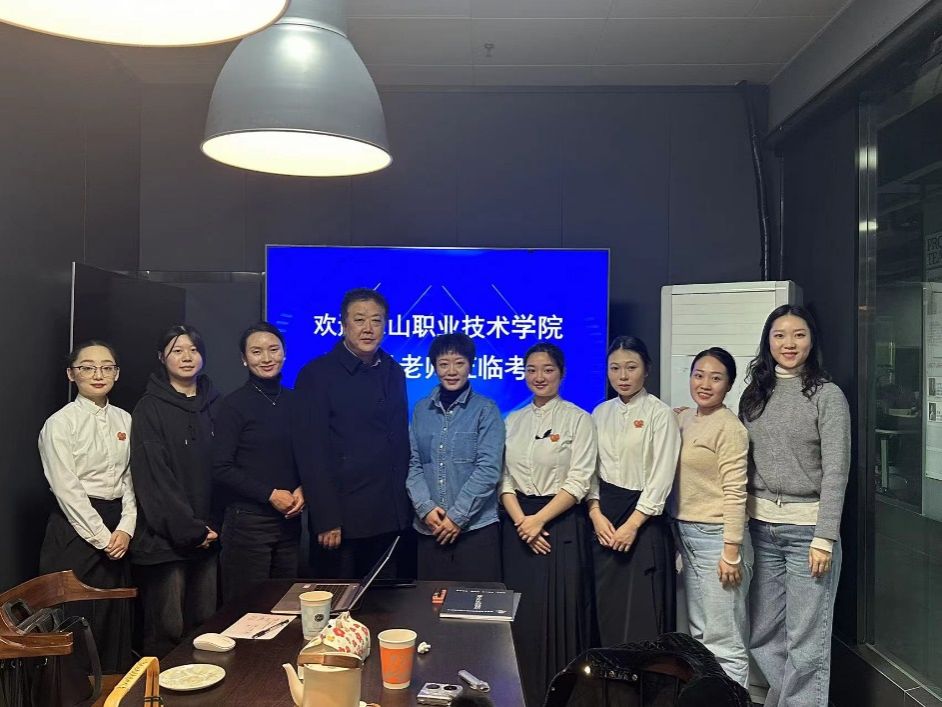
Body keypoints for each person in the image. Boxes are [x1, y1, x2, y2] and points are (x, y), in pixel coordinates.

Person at [739, 305, 850, 707]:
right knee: (762, 634)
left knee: (806, 642)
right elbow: (738, 454)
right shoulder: (755, 394)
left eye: (798, 334)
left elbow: (837, 470)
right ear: (768, 341)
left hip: (809, 533)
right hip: (761, 528)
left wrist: (825, 537)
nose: (789, 343)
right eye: (780, 335)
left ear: (811, 340)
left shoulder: (827, 396)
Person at [500, 342, 597, 707]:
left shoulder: (579, 419)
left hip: (561, 523)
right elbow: (503, 479)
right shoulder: (512, 420)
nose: (539, 377)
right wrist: (523, 523)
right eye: (532, 370)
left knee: (560, 617)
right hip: (518, 526)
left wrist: (538, 521)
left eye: (548, 369)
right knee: (521, 618)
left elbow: (580, 480)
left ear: (562, 373)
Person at [292, 288, 412, 579]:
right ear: (344, 324)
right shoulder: (317, 374)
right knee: (340, 602)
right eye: (359, 320)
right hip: (343, 521)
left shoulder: (394, 371)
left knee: (387, 601)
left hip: (391, 516)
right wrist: (326, 518)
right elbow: (311, 451)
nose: (368, 328)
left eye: (376, 320)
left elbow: (398, 441)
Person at [37, 340, 135, 673]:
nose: (98, 374)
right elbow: (66, 488)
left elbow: (132, 481)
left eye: (107, 367)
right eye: (87, 367)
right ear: (71, 374)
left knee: (114, 617)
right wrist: (103, 538)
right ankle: (74, 694)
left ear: (116, 374)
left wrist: (126, 528)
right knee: (75, 619)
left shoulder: (125, 419)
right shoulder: (59, 423)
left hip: (118, 526)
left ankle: (114, 690)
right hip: (74, 528)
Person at [129, 324, 222, 658]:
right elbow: (155, 479)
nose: (187, 357)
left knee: (206, 628)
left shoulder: (216, 404)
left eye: (193, 350)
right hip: (166, 541)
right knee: (168, 631)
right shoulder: (149, 408)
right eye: (177, 350)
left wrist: (211, 528)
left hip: (209, 537)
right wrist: (190, 530)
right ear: (161, 357)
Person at [587, 335, 680, 646]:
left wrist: (632, 525)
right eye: (615, 368)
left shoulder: (660, 414)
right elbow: (589, 469)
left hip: (644, 523)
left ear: (647, 369)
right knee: (606, 614)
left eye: (631, 367)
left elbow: (662, 475)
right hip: (604, 522)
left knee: (643, 617)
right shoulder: (599, 413)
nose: (622, 376)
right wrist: (595, 512)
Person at [673, 347, 751, 687]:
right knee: (700, 636)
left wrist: (731, 551)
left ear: (729, 384)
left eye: (716, 378)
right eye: (699, 375)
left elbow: (736, 491)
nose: (705, 384)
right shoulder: (685, 418)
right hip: (685, 536)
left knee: (725, 641)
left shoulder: (730, 428)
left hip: (716, 539)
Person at [213, 322, 304, 603]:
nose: (266, 358)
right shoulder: (233, 405)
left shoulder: (297, 401)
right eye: (256, 351)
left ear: (284, 353)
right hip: (248, 525)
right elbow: (221, 467)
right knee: (247, 609)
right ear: (244, 358)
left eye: (273, 349)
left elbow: (309, 456)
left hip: (290, 523)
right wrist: (269, 495)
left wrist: (305, 488)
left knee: (286, 607)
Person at [406, 333, 504, 582]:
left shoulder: (486, 410)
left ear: (470, 365)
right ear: (434, 367)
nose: (451, 371)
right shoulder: (421, 410)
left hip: (476, 530)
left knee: (477, 604)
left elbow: (488, 469)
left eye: (459, 363)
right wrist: (425, 508)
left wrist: (457, 517)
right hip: (430, 528)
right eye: (444, 364)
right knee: (429, 603)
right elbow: (413, 464)